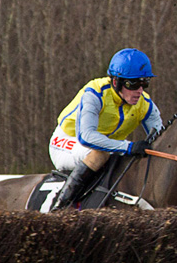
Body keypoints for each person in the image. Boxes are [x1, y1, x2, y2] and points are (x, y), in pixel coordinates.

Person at [48, 48, 163, 210]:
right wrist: (129, 146)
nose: (140, 90)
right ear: (116, 82)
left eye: (144, 83)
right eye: (133, 84)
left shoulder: (145, 104)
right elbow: (87, 137)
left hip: (108, 147)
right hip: (67, 141)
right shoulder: (95, 93)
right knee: (99, 153)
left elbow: (162, 139)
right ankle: (60, 208)